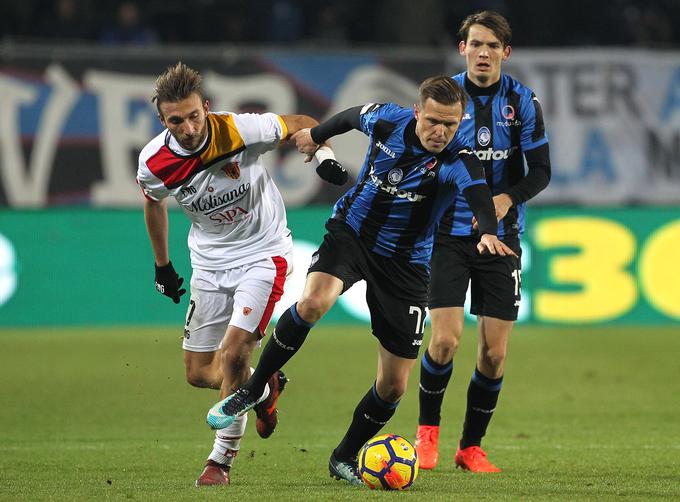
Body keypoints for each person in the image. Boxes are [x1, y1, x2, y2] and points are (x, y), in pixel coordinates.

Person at [205, 75, 517, 486]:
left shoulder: (460, 159)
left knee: (393, 385)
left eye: (451, 125)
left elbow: (478, 193)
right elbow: (350, 117)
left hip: (406, 265)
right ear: (418, 112)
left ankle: (344, 456)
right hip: (352, 233)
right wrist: (315, 135)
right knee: (313, 302)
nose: (441, 132)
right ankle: (254, 388)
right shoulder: (388, 119)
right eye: (434, 122)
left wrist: (490, 231)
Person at [136, 62, 347, 487]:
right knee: (198, 373)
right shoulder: (154, 162)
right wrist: (162, 264)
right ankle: (263, 389)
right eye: (177, 120)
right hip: (209, 264)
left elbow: (302, 123)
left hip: (263, 255)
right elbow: (153, 203)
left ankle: (220, 461)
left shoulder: (236, 129)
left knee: (234, 355)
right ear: (163, 120)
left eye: (195, 116)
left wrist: (323, 155)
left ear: (206, 108)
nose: (189, 127)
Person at [414, 11, 551, 473]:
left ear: (505, 53)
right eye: (476, 44)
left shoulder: (523, 102)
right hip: (447, 236)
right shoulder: (445, 98)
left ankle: (470, 447)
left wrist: (509, 198)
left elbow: (542, 171)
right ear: (463, 49)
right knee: (445, 340)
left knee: (494, 352)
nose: (484, 53)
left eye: (493, 45)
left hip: (504, 240)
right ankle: (427, 435)